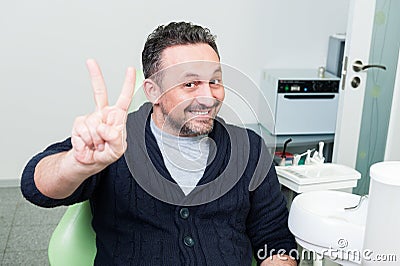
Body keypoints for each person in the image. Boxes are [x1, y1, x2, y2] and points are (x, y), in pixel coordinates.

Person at [21, 21, 297, 265]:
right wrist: (76, 164)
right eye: (190, 84)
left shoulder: (249, 148)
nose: (208, 97)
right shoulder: (115, 138)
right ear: (153, 91)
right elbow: (36, 187)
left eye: (215, 81)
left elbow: (275, 241)